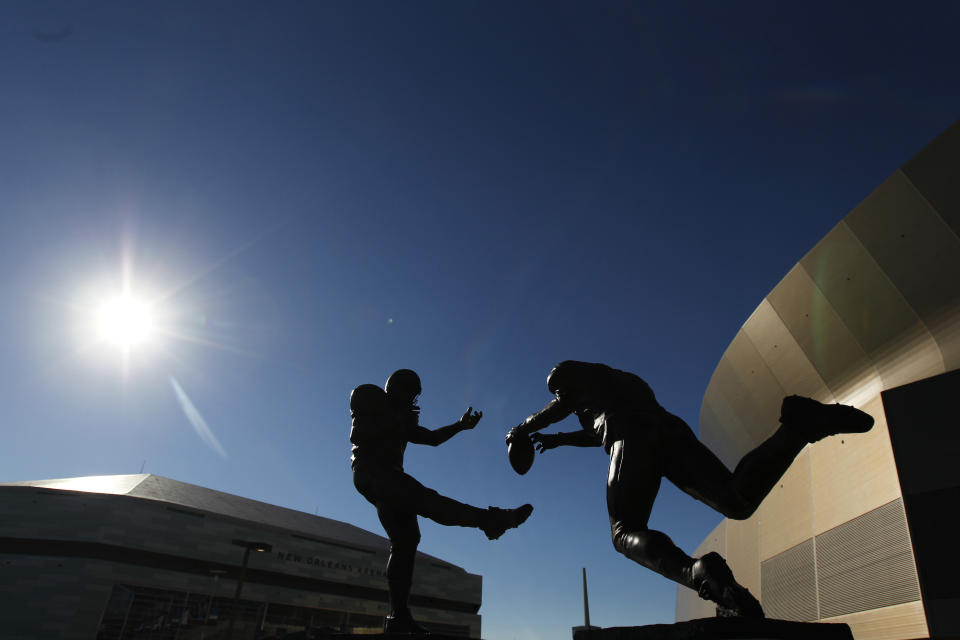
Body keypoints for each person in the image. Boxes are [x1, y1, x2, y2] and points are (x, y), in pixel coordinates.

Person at [505, 360, 874, 618]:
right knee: (736, 499)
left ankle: (699, 573)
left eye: (559, 388)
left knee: (624, 532)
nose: (558, 394)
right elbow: (595, 433)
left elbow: (571, 409)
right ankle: (797, 427)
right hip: (667, 429)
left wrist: (522, 427)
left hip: (633, 437)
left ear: (572, 378)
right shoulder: (615, 392)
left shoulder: (585, 384)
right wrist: (557, 441)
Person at [351, 369, 533, 634]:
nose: (412, 401)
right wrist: (398, 420)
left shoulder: (399, 416)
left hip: (388, 476)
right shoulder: (371, 397)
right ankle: (492, 520)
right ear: (396, 388)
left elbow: (431, 439)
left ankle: (398, 618)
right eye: (409, 394)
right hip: (372, 471)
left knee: (406, 540)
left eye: (414, 397)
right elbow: (360, 434)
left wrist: (460, 426)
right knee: (426, 500)